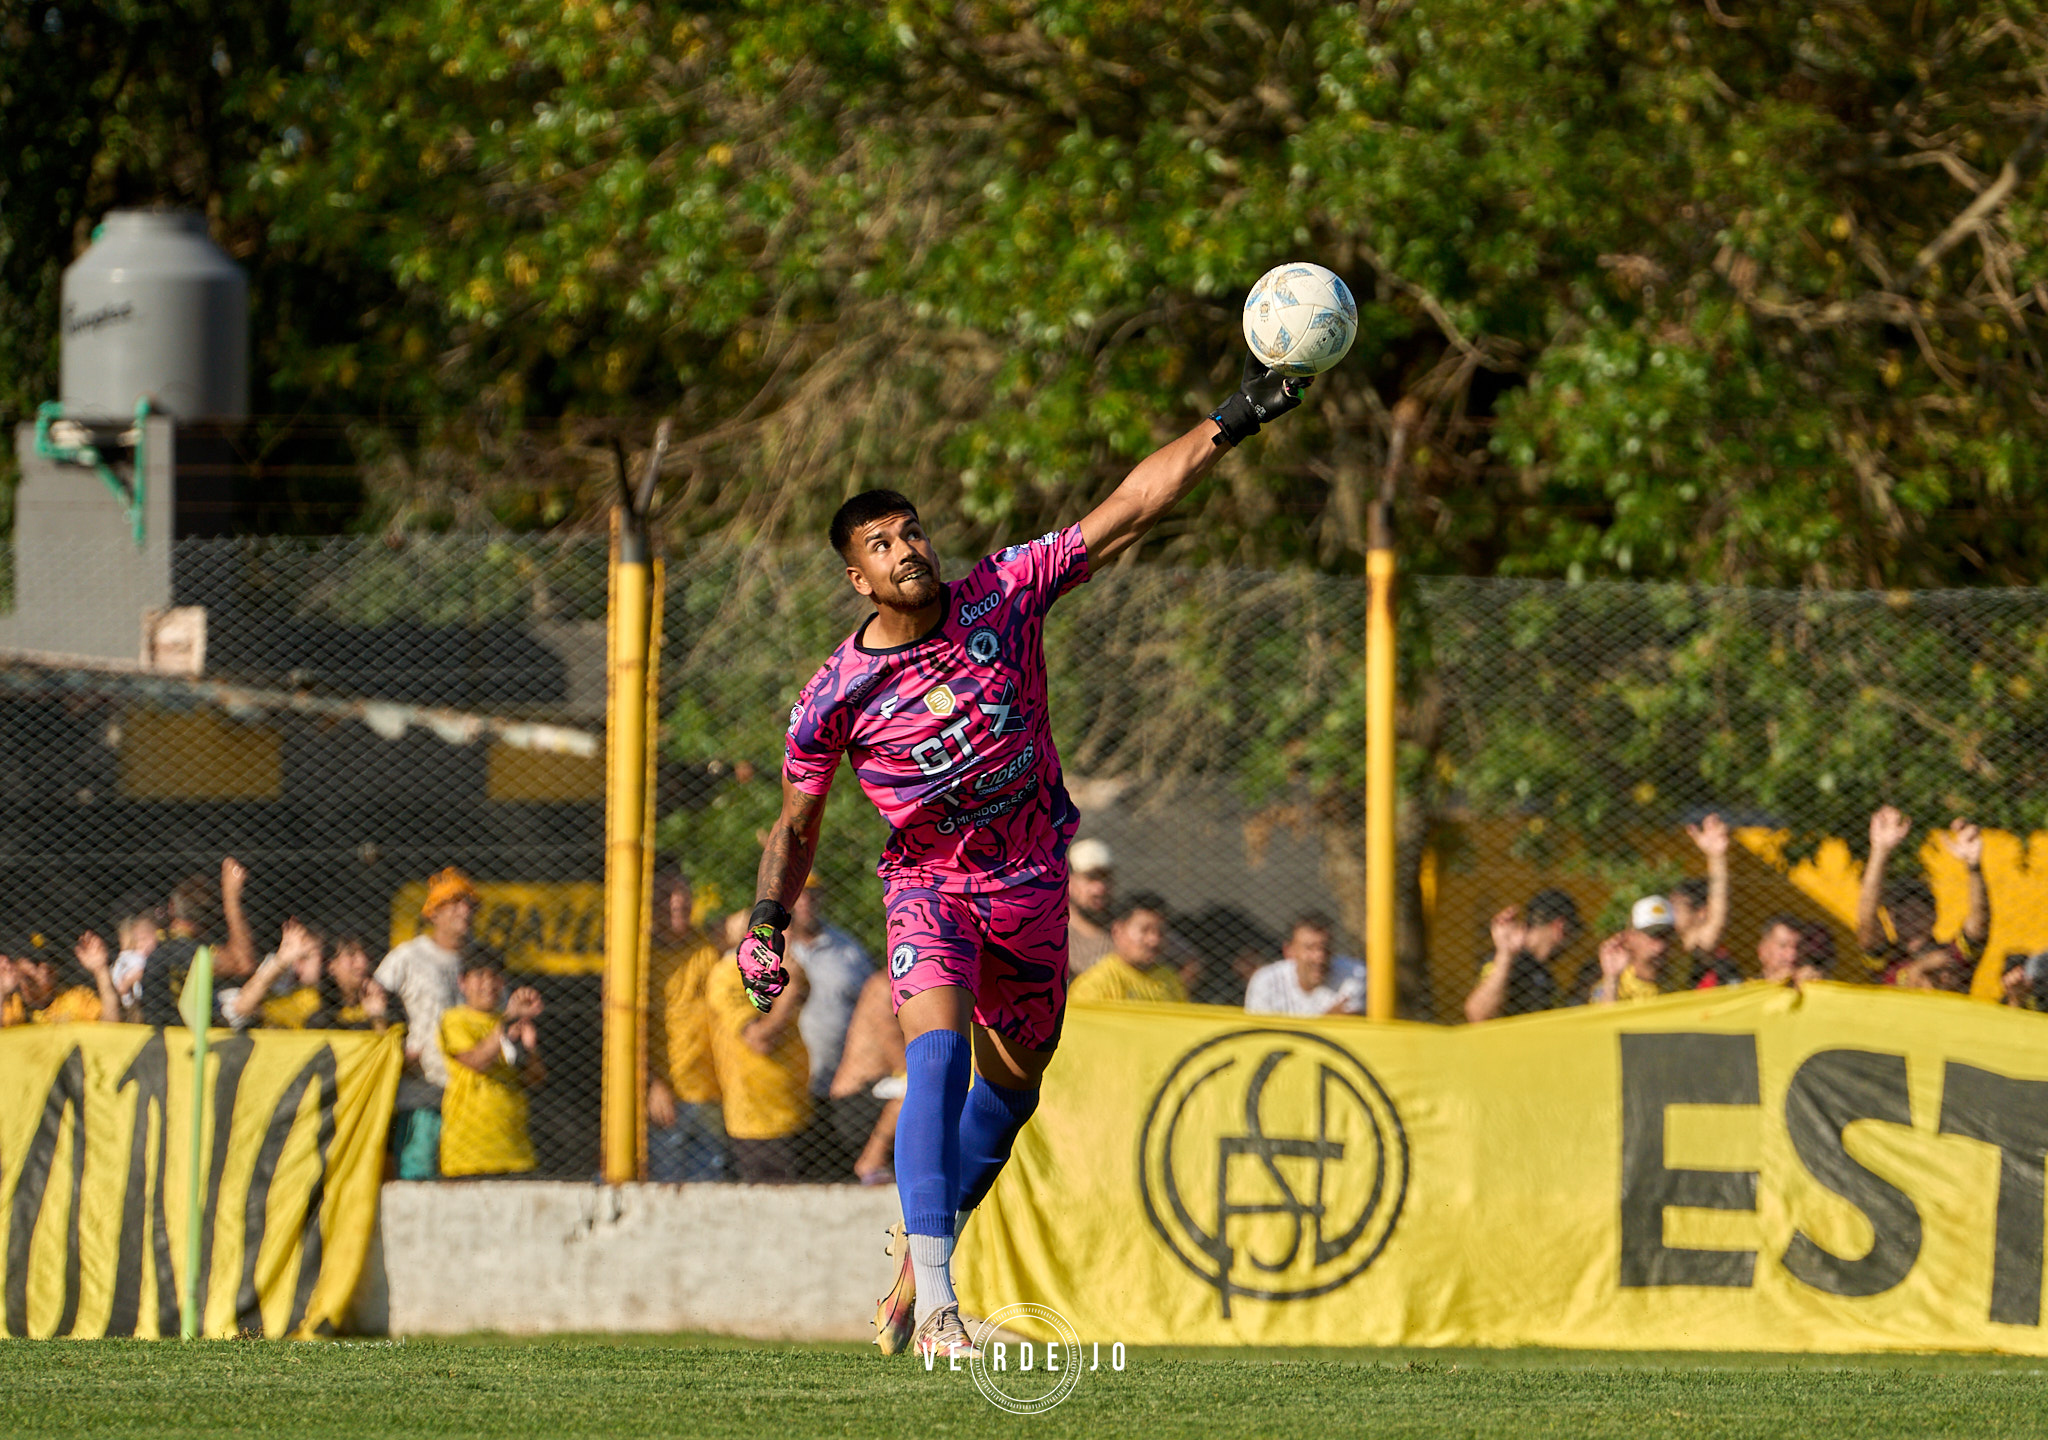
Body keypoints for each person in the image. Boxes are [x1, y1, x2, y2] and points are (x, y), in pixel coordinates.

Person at [742, 358, 1311, 1359]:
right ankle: (940, 1312)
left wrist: (1232, 419)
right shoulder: (833, 692)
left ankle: (913, 1275)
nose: (905, 549)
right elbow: (794, 827)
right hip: (928, 895)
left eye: (910, 530)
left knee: (1008, 1099)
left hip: (1031, 887)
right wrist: (764, 924)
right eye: (880, 544)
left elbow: (1130, 505)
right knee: (937, 1060)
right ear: (856, 576)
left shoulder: (1001, 594)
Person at [375, 867, 478, 1180]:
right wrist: (396, 1050)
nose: (465, 910)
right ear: (434, 912)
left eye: (470, 904)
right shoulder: (407, 956)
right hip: (421, 1090)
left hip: (471, 1093)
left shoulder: (478, 962)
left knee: (465, 1180)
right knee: (417, 1174)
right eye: (456, 902)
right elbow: (374, 1002)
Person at [707, 912, 812, 1185]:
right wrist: (791, 992)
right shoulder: (727, 975)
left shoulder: (779, 972)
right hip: (758, 1120)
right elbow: (758, 1040)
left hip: (797, 1110)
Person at [646, 871, 730, 1183]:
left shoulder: (708, 943)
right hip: (667, 1097)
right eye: (669, 894)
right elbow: (625, 1034)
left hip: (713, 1094)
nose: (678, 901)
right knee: (665, 1184)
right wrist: (652, 1086)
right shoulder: (639, 959)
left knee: (710, 1185)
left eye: (684, 893)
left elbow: (754, 919)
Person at [436, 951, 545, 1178]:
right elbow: (477, 1060)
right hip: (468, 1155)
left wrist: (531, 1046)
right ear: (462, 982)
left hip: (516, 1153)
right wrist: (508, 1020)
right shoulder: (453, 1019)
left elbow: (535, 1078)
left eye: (495, 976)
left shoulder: (509, 1020)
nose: (488, 983)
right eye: (479, 975)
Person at [1856, 806, 1987, 993]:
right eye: (1901, 918)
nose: (1910, 925)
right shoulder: (1887, 960)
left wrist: (1974, 866)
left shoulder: (1953, 953)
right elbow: (1866, 921)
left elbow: (1979, 926)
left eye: (1917, 916)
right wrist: (1880, 850)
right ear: (1891, 921)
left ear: (1934, 916)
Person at [136, 858, 258, 1026]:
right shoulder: (185, 949)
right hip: (179, 1040)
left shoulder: (161, 943)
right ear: (212, 920)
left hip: (160, 1039)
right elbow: (244, 963)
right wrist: (231, 898)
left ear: (171, 907)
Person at [789, 879, 876, 1105]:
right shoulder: (769, 949)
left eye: (813, 895)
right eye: (799, 895)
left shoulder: (847, 949)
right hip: (786, 1085)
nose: (806, 902)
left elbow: (873, 1009)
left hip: (842, 1081)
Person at [829, 971, 909, 1186]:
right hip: (857, 1099)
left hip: (883, 1090)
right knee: (918, 1088)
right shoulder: (883, 986)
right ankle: (872, 1160)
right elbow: (899, 1058)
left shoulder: (911, 983)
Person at [1463, 888, 1582, 1022]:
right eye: (1572, 933)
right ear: (1560, 927)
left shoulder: (1542, 971)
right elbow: (1477, 1014)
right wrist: (1505, 953)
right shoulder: (1506, 961)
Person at [1069, 892, 1188, 1004]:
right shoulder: (1095, 985)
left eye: (1161, 932)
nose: (1154, 940)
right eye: (1144, 930)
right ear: (1117, 931)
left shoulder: (1169, 979)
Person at [1242, 913, 1363, 1016]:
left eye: (1325, 948)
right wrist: (1327, 1019)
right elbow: (1258, 1034)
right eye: (1310, 948)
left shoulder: (1355, 974)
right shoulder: (1266, 981)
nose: (1319, 957)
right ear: (1289, 951)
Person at [1674, 814, 1738, 988]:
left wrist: (1716, 858)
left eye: (1677, 905)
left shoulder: (1698, 944)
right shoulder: (1660, 941)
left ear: (1702, 913)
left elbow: (1717, 915)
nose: (1670, 910)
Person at [0, 931, 120, 1025]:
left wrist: (100, 970)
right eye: (35, 962)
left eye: (50, 961)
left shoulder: (74, 1000)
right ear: (16, 966)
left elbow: (111, 1025)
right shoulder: (11, 1005)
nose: (44, 969)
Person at [1587, 896, 1677, 1004]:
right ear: (1629, 938)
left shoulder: (1682, 972)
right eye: (1651, 935)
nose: (1661, 945)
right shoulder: (1616, 985)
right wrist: (1612, 979)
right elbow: (1604, 1019)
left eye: (1666, 934)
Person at [1065, 839, 1116, 975]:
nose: (1100, 888)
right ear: (1068, 880)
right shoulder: (1053, 934)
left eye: (1106, 878)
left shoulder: (1123, 930)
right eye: (1090, 878)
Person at [1755, 914, 1832, 986]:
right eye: (1783, 945)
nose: (1792, 954)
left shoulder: (1809, 984)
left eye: (1798, 946)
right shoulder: (1748, 991)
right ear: (1762, 951)